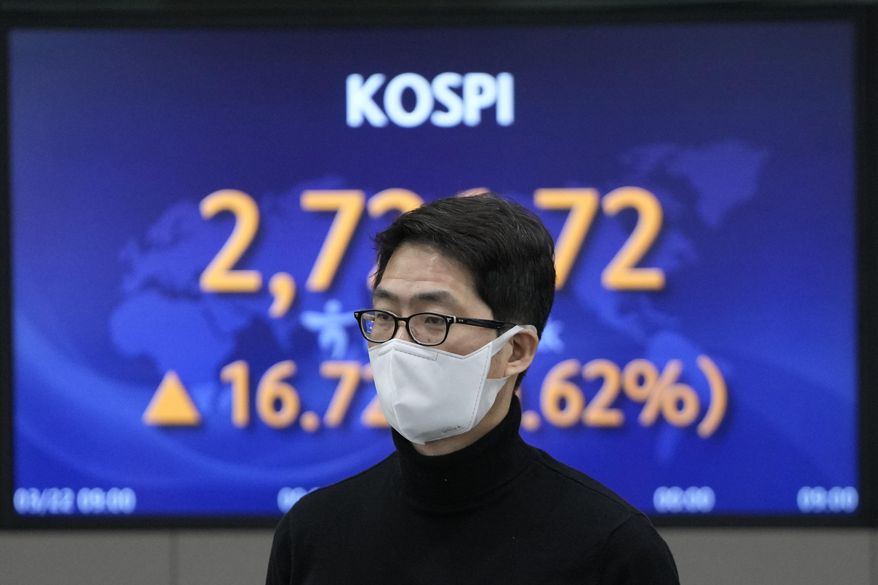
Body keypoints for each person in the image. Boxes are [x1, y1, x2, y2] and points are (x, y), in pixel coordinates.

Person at [265, 192, 680, 584]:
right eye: (385, 316)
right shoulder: (313, 533)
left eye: (434, 320)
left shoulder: (612, 550)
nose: (398, 345)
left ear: (515, 350)